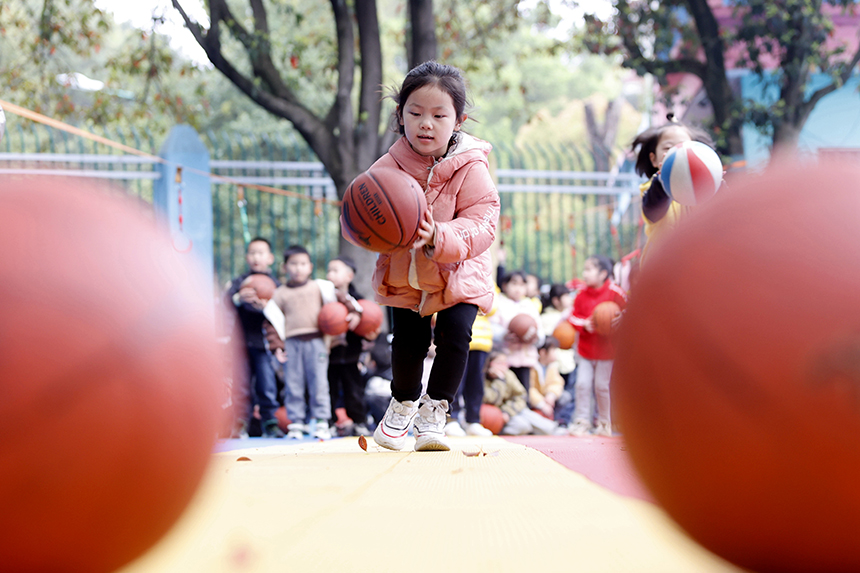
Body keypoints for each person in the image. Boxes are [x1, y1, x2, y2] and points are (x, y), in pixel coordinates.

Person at [343, 61, 500, 452]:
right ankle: (403, 402)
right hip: (408, 272)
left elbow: (483, 222)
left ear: (458, 121)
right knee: (408, 343)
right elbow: (366, 216)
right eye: (415, 113)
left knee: (456, 335)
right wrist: (366, 228)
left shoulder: (472, 166)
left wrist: (440, 235)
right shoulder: (386, 168)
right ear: (400, 117)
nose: (425, 123)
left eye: (438, 115)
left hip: (459, 269)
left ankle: (436, 410)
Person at [271, 245, 338, 440]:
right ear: (285, 267)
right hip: (292, 342)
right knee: (293, 384)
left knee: (319, 382)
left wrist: (355, 312)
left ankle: (321, 421)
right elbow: (272, 322)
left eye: (302, 264)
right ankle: (297, 423)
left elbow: (340, 301)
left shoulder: (319, 287)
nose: (298, 268)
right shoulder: (280, 293)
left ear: (310, 267)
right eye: (293, 264)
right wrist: (276, 346)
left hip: (316, 341)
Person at [632, 113, 714, 268]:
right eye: (669, 148)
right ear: (654, 159)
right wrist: (664, 178)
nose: (678, 153)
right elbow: (653, 208)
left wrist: (714, 184)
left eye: (684, 147)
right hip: (661, 269)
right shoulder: (652, 188)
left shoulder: (701, 187)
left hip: (697, 267)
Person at [224, 237, 283, 438]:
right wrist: (239, 298)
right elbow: (226, 302)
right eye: (252, 252)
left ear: (270, 258)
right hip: (240, 342)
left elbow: (282, 313)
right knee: (240, 385)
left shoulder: (276, 284)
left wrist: (267, 307)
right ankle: (239, 423)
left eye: (261, 252)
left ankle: (269, 422)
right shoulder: (240, 282)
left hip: (264, 343)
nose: (257, 256)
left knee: (267, 385)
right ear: (247, 257)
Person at [566, 255, 627, 437]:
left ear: (603, 273)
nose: (585, 273)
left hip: (607, 352)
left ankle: (604, 422)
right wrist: (583, 324)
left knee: (602, 386)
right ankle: (582, 421)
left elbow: (630, 309)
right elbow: (572, 317)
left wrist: (622, 317)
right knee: (582, 385)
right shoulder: (581, 294)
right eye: (585, 269)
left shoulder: (616, 292)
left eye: (589, 269)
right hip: (585, 351)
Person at [326, 256, 379, 437]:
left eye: (335, 270)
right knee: (329, 390)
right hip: (330, 355)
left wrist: (370, 334)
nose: (330, 274)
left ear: (349, 276)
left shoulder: (359, 301)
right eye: (329, 270)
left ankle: (359, 421)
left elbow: (368, 329)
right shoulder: (325, 299)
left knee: (354, 390)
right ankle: (329, 422)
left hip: (351, 355)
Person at [490, 270, 545, 395]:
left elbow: (539, 330)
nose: (518, 289)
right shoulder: (498, 304)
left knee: (524, 392)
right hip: (505, 357)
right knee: (506, 391)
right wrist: (504, 335)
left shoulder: (530, 306)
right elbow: (492, 327)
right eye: (514, 284)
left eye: (522, 285)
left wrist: (535, 337)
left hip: (526, 358)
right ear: (505, 286)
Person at [445, 306, 495, 437]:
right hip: (456, 335)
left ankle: (473, 420)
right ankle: (451, 419)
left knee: (476, 384)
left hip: (481, 341)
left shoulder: (490, 286)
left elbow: (491, 306)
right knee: (454, 382)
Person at [483, 351, 558, 436]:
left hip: (511, 409)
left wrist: (507, 411)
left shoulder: (509, 375)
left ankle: (554, 428)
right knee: (522, 426)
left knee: (542, 424)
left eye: (505, 363)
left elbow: (521, 395)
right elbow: (491, 399)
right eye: (498, 363)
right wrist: (499, 380)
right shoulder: (484, 378)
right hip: (495, 414)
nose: (502, 367)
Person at [540, 283, 577, 425]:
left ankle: (564, 421)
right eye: (566, 296)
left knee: (570, 395)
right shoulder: (547, 318)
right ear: (556, 300)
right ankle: (553, 421)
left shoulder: (571, 315)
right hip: (556, 363)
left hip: (570, 362)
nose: (569, 299)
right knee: (557, 393)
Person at [529, 337, 566, 420]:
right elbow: (530, 388)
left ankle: (558, 421)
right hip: (536, 401)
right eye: (553, 350)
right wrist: (541, 404)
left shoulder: (552, 366)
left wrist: (551, 395)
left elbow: (557, 383)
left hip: (547, 399)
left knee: (565, 397)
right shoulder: (532, 367)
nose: (555, 354)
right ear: (542, 352)